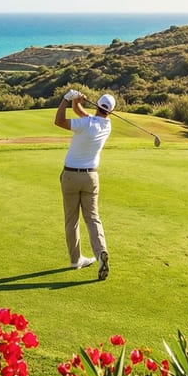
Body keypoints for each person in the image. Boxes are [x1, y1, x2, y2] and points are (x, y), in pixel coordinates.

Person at [55, 89, 114, 280]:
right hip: (91, 178)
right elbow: (83, 113)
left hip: (71, 176)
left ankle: (76, 259)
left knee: (72, 220)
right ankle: (100, 253)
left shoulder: (85, 124)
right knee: (93, 218)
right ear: (110, 112)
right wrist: (77, 101)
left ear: (97, 105)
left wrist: (66, 99)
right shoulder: (106, 125)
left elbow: (59, 121)